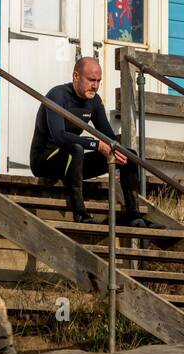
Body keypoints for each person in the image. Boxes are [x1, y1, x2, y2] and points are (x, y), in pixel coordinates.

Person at [29, 57, 162, 229]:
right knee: (76, 149)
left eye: (99, 81)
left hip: (73, 165)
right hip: (45, 162)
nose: (95, 85)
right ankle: (80, 214)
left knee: (127, 154)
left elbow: (108, 136)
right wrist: (96, 145)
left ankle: (134, 217)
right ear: (76, 76)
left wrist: (116, 149)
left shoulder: (94, 101)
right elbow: (59, 136)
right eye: (91, 80)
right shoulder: (58, 95)